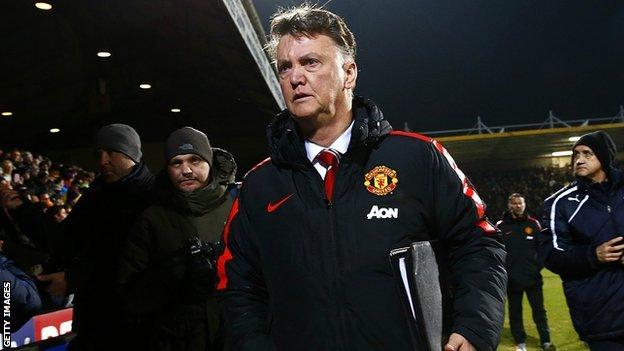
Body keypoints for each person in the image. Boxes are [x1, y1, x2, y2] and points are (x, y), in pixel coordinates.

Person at [217, 5, 507, 351]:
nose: (295, 78)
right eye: (285, 67)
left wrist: (475, 326)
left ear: (349, 73)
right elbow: (237, 285)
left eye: (311, 62)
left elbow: (477, 243)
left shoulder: (417, 157)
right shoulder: (259, 184)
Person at [117, 127, 237, 351]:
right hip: (177, 339)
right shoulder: (151, 219)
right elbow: (130, 294)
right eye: (176, 163)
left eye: (195, 160)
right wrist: (173, 273)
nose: (186, 170)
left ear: (209, 162)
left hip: (233, 334)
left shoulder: (237, 208)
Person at [38, 123, 155, 350]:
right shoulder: (96, 192)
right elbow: (64, 239)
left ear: (131, 154)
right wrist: (22, 210)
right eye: (99, 153)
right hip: (94, 316)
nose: (103, 161)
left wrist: (74, 278)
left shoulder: (150, 196)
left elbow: (124, 258)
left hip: (133, 324)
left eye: (111, 152)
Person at [539, 130, 624, 351]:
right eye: (575, 154)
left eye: (587, 153)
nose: (579, 159)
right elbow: (551, 254)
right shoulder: (560, 203)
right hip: (602, 317)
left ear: (604, 157)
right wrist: (593, 255)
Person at [497, 193, 554, 351]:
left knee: (539, 312)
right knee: (515, 313)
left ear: (525, 204)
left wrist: (536, 267)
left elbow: (543, 249)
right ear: (509, 205)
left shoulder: (533, 224)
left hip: (533, 278)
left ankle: (546, 341)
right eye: (514, 203)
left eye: (520, 203)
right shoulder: (501, 226)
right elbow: (498, 252)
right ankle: (520, 343)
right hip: (513, 280)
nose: (518, 206)